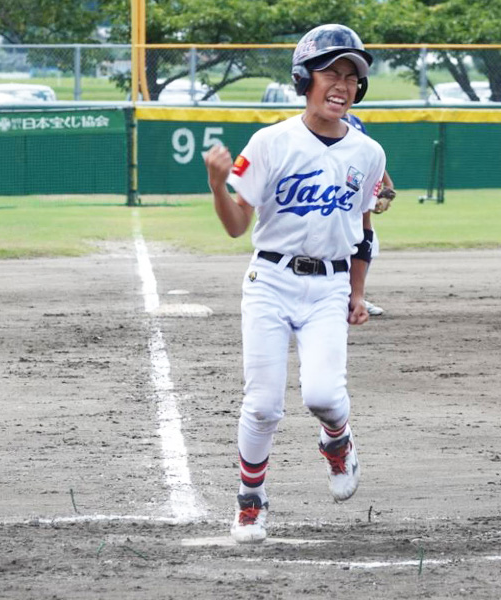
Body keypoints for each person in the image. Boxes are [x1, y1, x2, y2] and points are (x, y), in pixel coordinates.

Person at [204, 24, 386, 544]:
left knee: (325, 396)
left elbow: (363, 232)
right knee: (262, 405)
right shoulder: (270, 141)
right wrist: (218, 185)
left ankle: (338, 442)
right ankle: (251, 502)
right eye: (332, 71)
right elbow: (238, 225)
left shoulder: (368, 153)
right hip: (270, 280)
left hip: (328, 286)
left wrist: (356, 294)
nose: (343, 84)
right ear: (305, 77)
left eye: (353, 77)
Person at [343, 112, 396, 316]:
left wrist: (386, 192)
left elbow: (372, 163)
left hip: (355, 179)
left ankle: (355, 296)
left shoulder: (355, 122)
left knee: (369, 244)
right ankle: (344, 295)